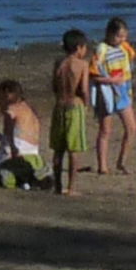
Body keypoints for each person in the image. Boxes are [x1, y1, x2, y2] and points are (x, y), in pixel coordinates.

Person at [91, 18, 136, 176]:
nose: (122, 39)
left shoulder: (125, 47)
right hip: (107, 91)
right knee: (105, 130)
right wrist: (110, 80)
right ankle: (102, 166)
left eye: (124, 36)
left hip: (123, 90)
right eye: (118, 36)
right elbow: (93, 74)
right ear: (109, 34)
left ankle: (122, 162)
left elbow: (129, 64)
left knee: (132, 127)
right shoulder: (101, 49)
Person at [49, 29, 92, 195]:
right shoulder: (82, 64)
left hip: (59, 105)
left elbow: (54, 86)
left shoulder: (59, 63)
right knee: (74, 149)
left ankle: (58, 186)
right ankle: (72, 187)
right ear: (79, 47)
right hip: (75, 105)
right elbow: (84, 89)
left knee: (58, 149)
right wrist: (87, 104)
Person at [0, 79, 42, 187]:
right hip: (33, 155)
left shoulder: (11, 110)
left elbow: (10, 138)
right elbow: (19, 134)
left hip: (15, 154)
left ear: (6, 95)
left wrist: (13, 150)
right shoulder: (29, 110)